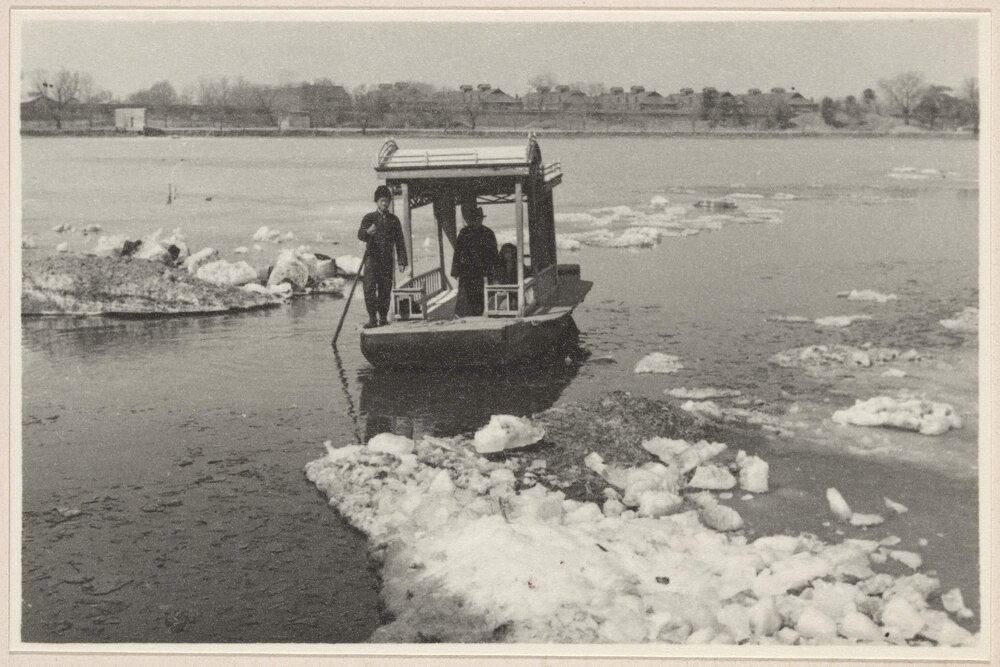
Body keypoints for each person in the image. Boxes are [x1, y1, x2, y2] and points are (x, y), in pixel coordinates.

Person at [358, 185, 408, 328]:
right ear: (377, 202)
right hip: (371, 260)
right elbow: (360, 235)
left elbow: (400, 241)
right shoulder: (369, 218)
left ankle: (383, 319)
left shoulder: (394, 220)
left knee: (385, 290)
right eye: (382, 201)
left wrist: (402, 261)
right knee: (369, 289)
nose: (385, 204)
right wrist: (367, 232)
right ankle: (372, 319)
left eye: (387, 201)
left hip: (387, 261)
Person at [451, 206, 499, 317]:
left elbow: (494, 253)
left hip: (483, 271)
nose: (477, 221)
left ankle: (482, 314)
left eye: (479, 218)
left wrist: (494, 270)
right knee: (466, 295)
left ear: (482, 219)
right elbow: (457, 253)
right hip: (467, 271)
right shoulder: (464, 233)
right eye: (474, 218)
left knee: (482, 294)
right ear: (471, 220)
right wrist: (456, 270)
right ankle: (465, 315)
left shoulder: (488, 233)